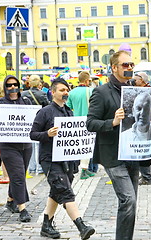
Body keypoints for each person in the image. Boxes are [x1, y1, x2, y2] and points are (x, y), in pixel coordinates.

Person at [86, 50, 151, 240]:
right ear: (114, 68)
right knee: (128, 199)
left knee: (130, 203)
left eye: (131, 65)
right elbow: (90, 123)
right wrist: (112, 122)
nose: (129, 68)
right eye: (125, 65)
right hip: (112, 154)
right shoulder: (101, 92)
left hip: (133, 153)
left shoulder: (137, 90)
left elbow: (144, 117)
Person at [30, 78, 95, 240]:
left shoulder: (68, 111)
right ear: (53, 92)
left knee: (56, 191)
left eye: (67, 90)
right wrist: (47, 134)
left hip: (67, 159)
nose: (65, 92)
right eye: (61, 90)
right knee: (65, 191)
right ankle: (81, 226)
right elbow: (32, 134)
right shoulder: (45, 112)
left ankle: (46, 225)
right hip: (50, 159)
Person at [0, 75, 33, 222]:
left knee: (18, 174)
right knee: (18, 175)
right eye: (9, 85)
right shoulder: (0, 103)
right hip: (8, 146)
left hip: (26, 145)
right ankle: (22, 208)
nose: (12, 87)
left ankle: (10, 200)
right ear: (5, 87)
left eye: (15, 84)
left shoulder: (26, 101)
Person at [66, 71, 96, 180]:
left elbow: (68, 107)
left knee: (79, 146)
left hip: (76, 122)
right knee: (88, 146)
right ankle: (84, 169)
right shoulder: (91, 91)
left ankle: (78, 168)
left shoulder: (71, 93)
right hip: (89, 121)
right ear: (87, 80)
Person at [21, 74, 49, 175]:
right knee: (39, 144)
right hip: (40, 120)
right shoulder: (42, 94)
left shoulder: (23, 93)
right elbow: (47, 107)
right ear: (39, 83)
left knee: (29, 144)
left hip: (27, 120)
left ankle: (31, 167)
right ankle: (40, 166)